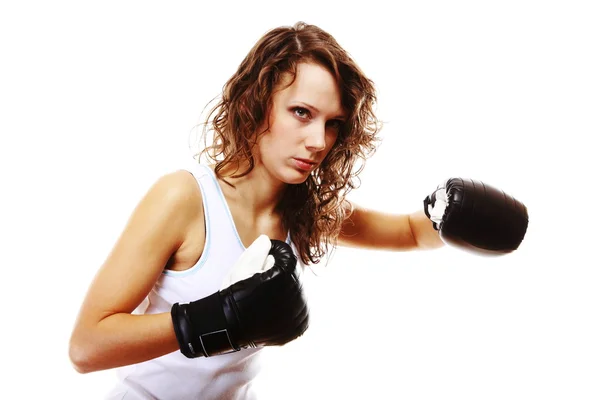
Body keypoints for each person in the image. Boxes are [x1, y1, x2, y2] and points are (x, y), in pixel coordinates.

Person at [68, 21, 528, 400]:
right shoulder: (185, 199)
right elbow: (87, 346)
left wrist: (444, 214)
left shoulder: (302, 209)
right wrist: (217, 319)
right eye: (302, 113)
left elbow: (409, 233)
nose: (318, 142)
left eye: (333, 124)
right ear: (256, 103)